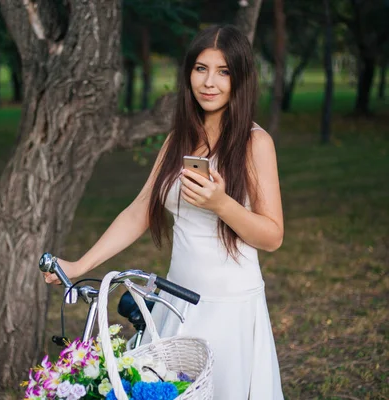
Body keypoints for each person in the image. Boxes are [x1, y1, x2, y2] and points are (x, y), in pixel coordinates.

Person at [43, 24, 284, 400]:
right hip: (176, 300)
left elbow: (272, 235)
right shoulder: (179, 139)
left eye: (223, 72)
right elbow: (140, 210)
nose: (209, 82)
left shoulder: (255, 143)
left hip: (229, 306)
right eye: (200, 68)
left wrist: (221, 204)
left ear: (240, 79)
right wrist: (78, 266)